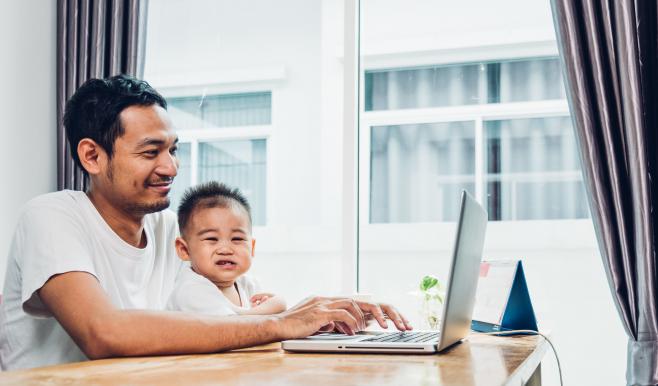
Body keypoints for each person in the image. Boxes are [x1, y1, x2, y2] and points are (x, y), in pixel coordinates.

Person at [0, 75, 412, 370]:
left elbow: (216, 321)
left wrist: (319, 312)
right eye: (150, 152)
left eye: (173, 149)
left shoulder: (169, 232)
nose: (171, 167)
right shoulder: (52, 216)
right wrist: (283, 323)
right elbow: (103, 333)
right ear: (92, 156)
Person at [167, 181, 286, 316]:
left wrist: (266, 307)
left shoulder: (248, 285)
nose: (225, 250)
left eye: (237, 239)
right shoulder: (190, 291)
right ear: (184, 250)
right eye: (212, 239)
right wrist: (277, 304)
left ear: (251, 248)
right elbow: (232, 328)